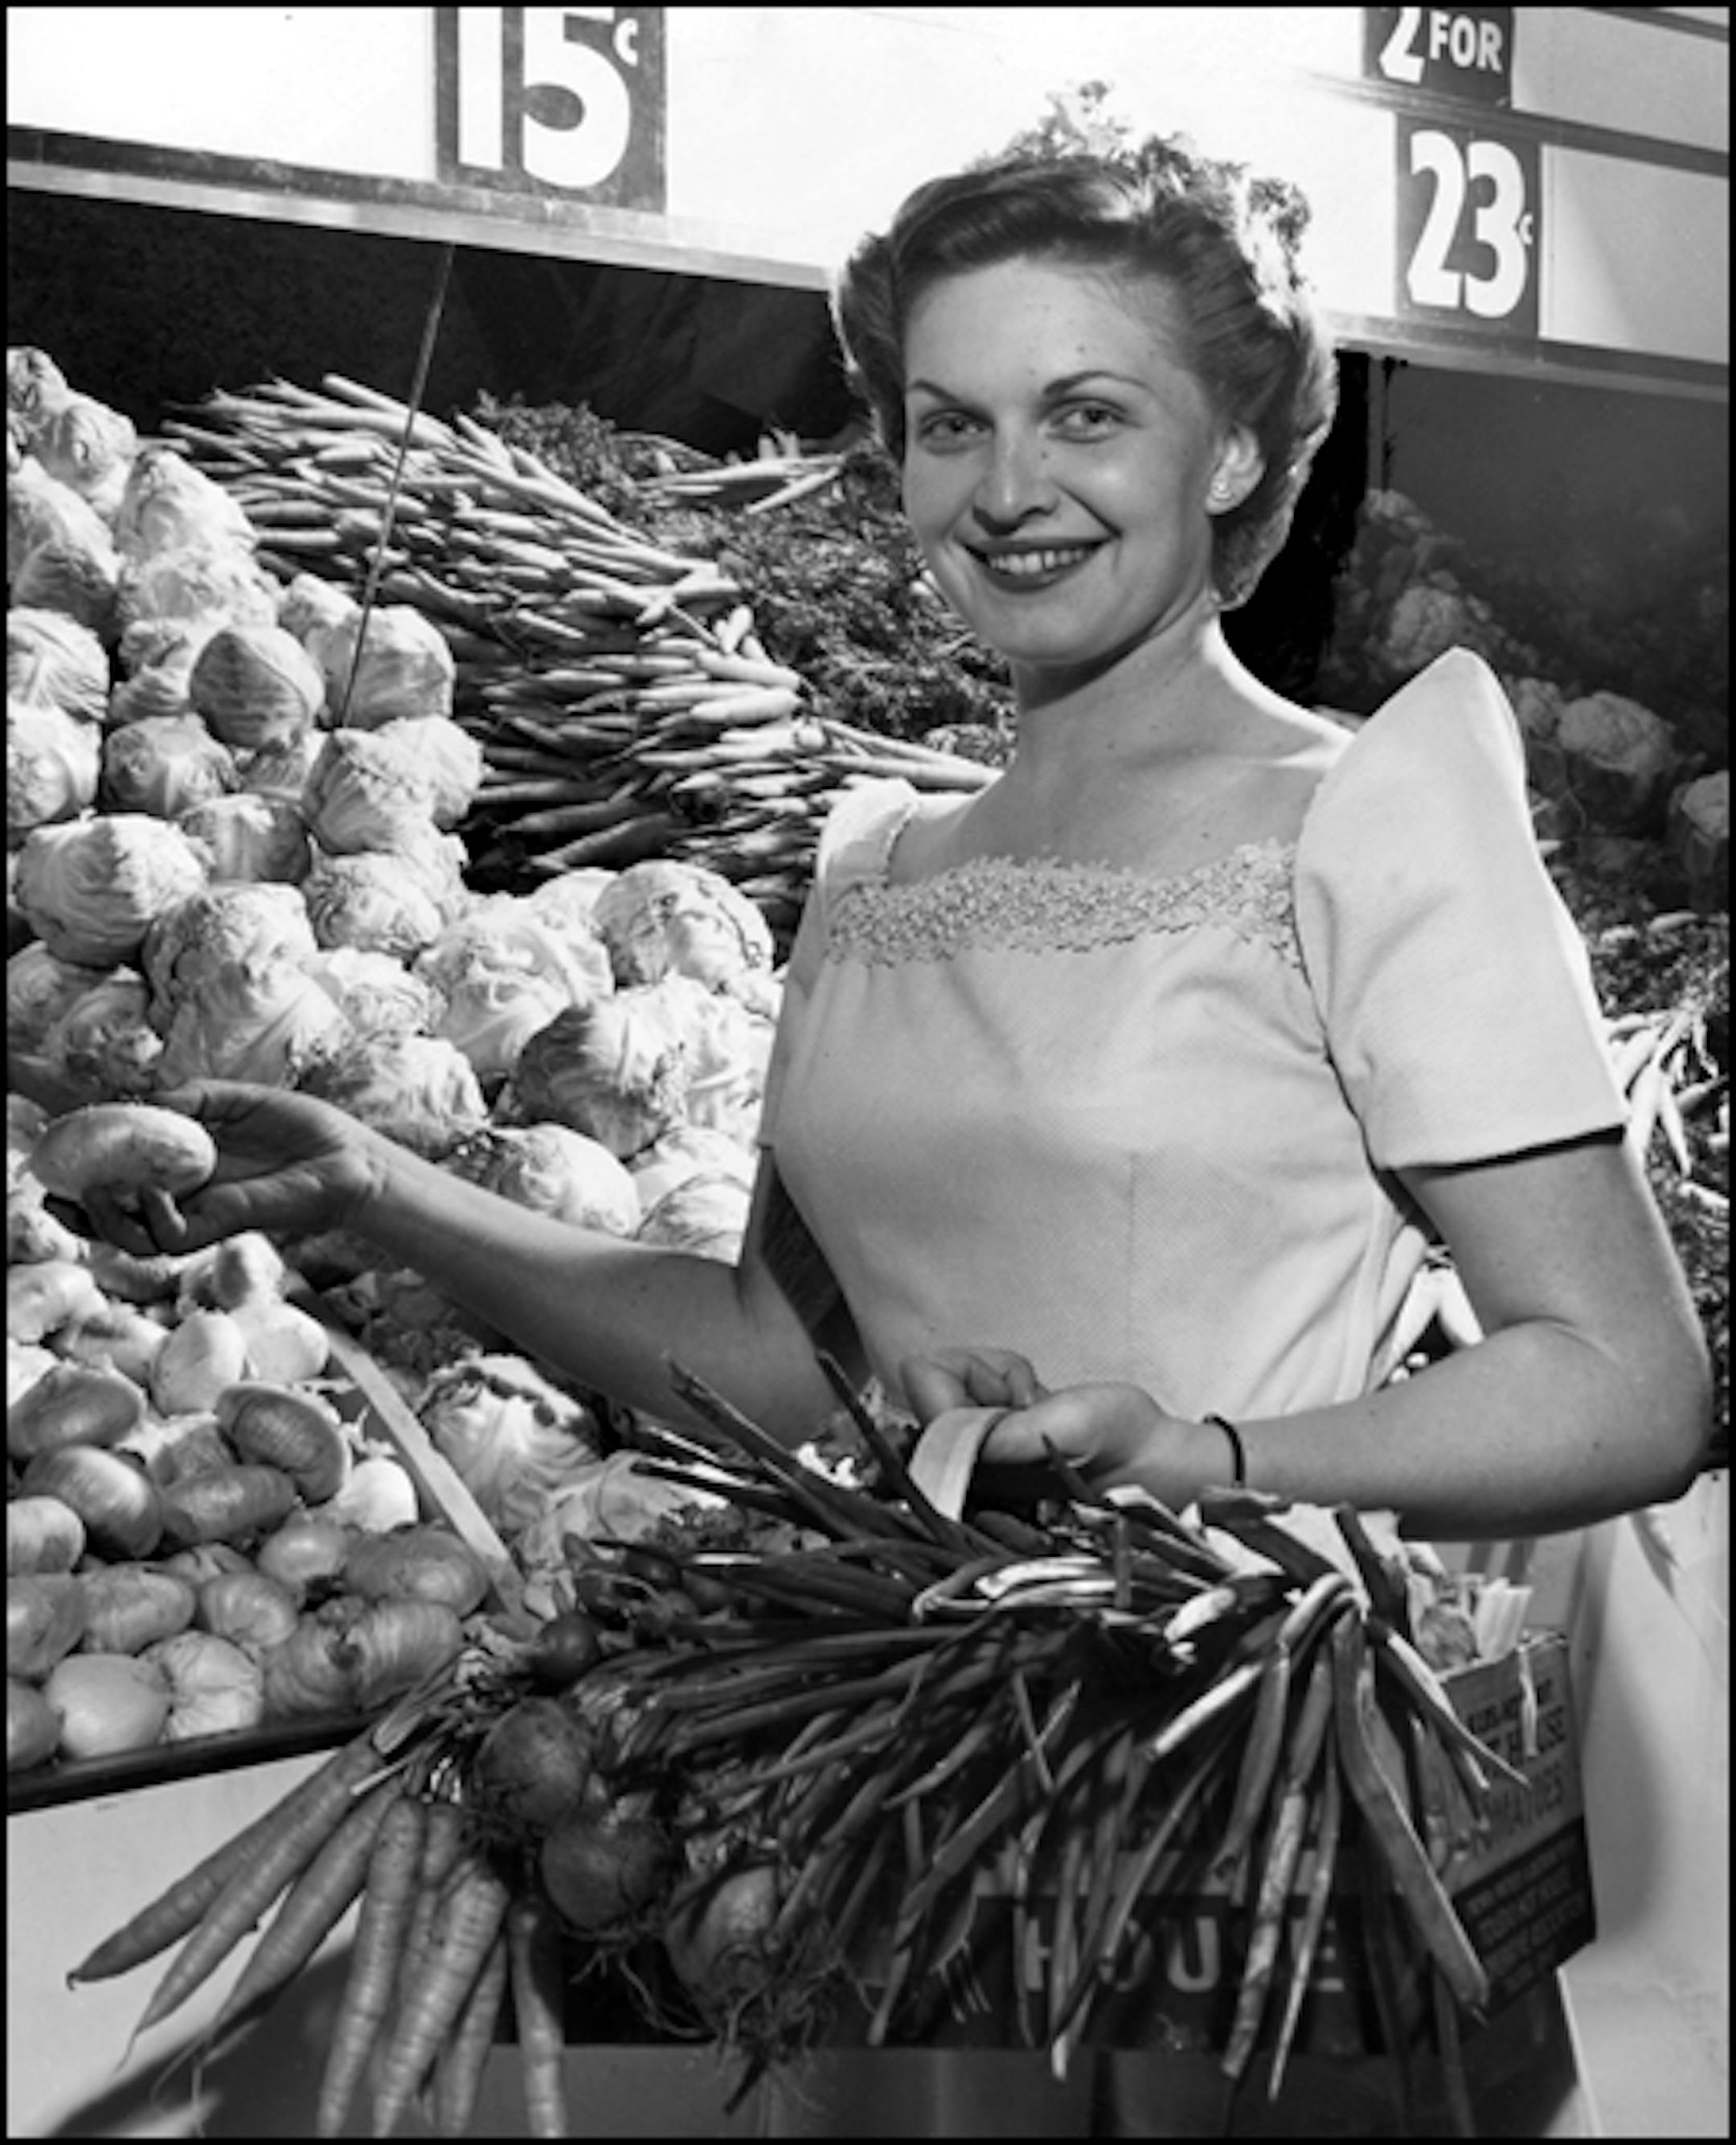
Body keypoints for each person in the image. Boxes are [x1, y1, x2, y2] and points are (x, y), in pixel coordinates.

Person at [62, 135, 1709, 2135]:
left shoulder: (1364, 813)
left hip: (1233, 1806)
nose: (1007, 488)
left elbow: (1625, 1385)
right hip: (895, 1798)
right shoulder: (876, 866)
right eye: (951, 425)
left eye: (1088, 414)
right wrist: (388, 1191)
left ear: (1233, 455)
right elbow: (779, 1365)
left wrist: (1211, 1456)